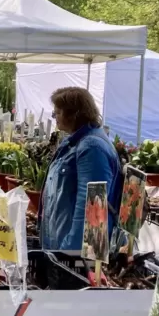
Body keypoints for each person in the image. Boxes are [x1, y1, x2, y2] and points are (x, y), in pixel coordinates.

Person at [40, 87, 120, 250]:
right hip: (59, 244)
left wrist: (71, 250)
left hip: (73, 254)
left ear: (74, 114)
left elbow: (92, 203)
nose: (55, 117)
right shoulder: (75, 142)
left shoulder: (92, 147)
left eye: (58, 113)